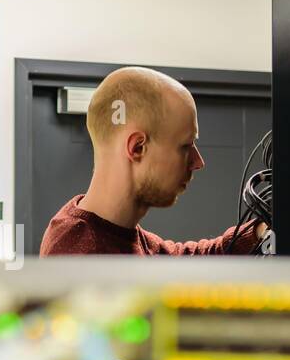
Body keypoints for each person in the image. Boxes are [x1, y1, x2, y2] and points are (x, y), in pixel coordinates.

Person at [40, 66, 265, 256]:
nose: (198, 162)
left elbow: (185, 260)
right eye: (185, 146)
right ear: (137, 147)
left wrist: (259, 231)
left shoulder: (115, 233)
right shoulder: (80, 251)